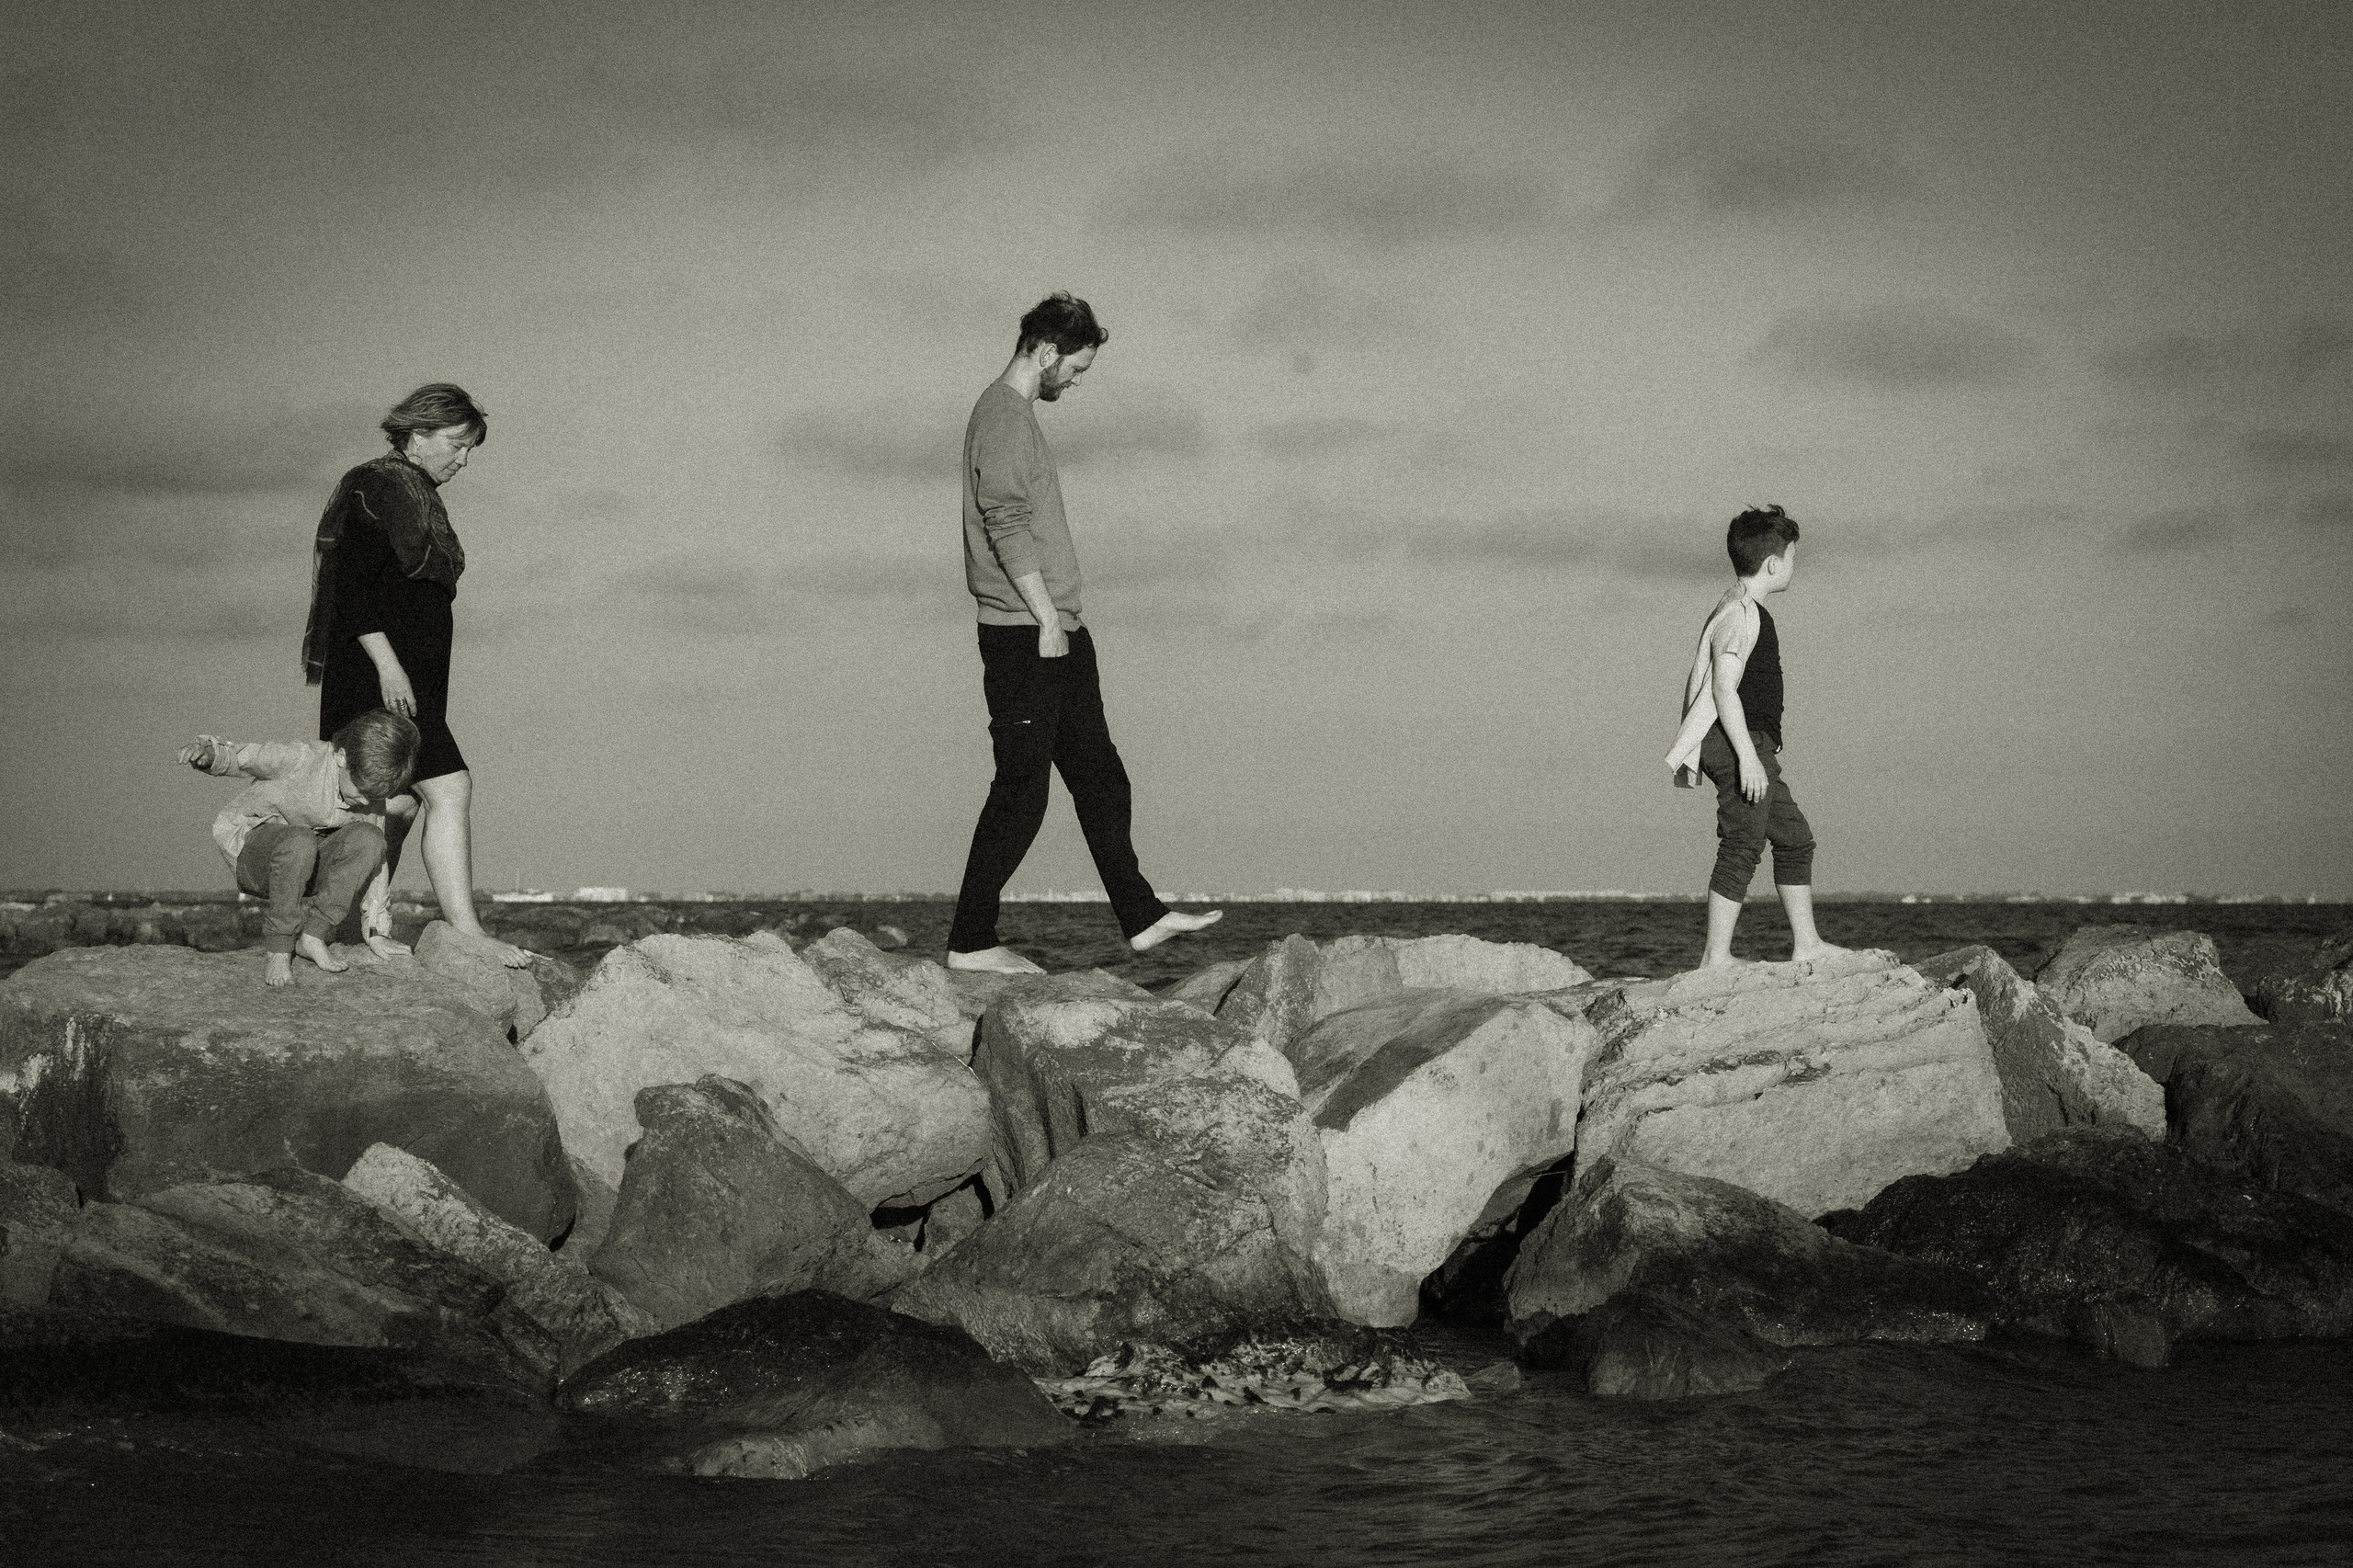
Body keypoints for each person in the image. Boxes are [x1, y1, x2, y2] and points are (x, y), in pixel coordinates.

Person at [945, 291, 1222, 973]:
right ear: (1045, 352)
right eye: (1076, 368)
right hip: (1023, 632)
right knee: (1022, 792)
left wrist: (1059, 623)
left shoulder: (1018, 418)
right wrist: (1043, 619)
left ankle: (1142, 917)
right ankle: (971, 941)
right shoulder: (1002, 419)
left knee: (1101, 778)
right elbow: (1005, 521)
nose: (1075, 381)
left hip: (1056, 628)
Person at [300, 383, 527, 967]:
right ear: (416, 435)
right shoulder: (378, 486)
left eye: (471, 447)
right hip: (378, 680)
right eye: (456, 444)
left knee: (393, 809)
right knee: (449, 787)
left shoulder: (415, 492)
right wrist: (389, 665)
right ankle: (467, 932)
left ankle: (350, 928)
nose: (463, 459)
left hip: (412, 684)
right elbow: (351, 589)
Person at [1663, 505, 1849, 969]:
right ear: (1773, 563)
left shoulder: (1745, 609)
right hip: (1736, 742)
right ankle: (1715, 958)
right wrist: (1747, 756)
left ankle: (1807, 945)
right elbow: (1725, 688)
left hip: (1752, 744)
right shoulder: (1742, 614)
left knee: (1794, 838)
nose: (1793, 566)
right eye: (1792, 557)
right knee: (1743, 842)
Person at [181, 709, 420, 986]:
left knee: (372, 839)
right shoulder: (303, 759)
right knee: (300, 840)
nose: (366, 803)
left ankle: (312, 936)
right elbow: (246, 757)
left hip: (305, 867)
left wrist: (378, 932)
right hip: (254, 854)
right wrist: (210, 754)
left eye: (374, 796)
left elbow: (376, 865)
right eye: (362, 791)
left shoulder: (367, 799)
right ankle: (279, 949)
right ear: (342, 757)